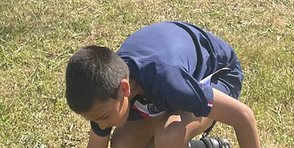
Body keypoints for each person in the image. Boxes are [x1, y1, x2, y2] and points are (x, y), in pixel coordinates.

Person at [64, 21, 259, 148]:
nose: (102, 125)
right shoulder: (102, 88)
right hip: (167, 88)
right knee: (123, 144)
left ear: (125, 89)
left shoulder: (169, 82)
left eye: (104, 117)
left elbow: (243, 116)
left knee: (169, 137)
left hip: (217, 74)